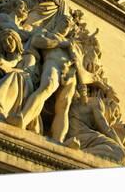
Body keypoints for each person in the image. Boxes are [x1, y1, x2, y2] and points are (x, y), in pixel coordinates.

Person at [6, 15, 78, 143]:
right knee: (46, 87)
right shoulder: (47, 33)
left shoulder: (71, 44)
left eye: (70, 25)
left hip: (70, 71)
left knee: (64, 105)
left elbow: (79, 63)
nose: (67, 25)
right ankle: (22, 119)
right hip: (53, 64)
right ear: (57, 22)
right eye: (65, 22)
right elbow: (36, 42)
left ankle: (59, 140)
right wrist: (61, 43)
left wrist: (74, 56)